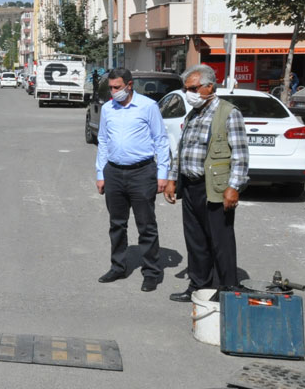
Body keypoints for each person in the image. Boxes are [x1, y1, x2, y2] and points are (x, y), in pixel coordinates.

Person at [163, 64, 248, 303]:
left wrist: (234, 187)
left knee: (221, 241)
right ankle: (198, 286)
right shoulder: (194, 114)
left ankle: (228, 290)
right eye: (186, 88)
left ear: (209, 86)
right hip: (190, 186)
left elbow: (240, 155)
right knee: (196, 240)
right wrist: (172, 180)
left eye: (192, 88)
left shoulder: (228, 113)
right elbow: (181, 151)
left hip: (215, 188)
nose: (188, 93)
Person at [95, 68, 170, 292]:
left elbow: (161, 140)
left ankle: (151, 272)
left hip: (142, 172)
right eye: (110, 87)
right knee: (116, 224)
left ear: (129, 85)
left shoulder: (148, 106)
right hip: (114, 173)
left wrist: (163, 173)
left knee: (146, 225)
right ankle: (118, 266)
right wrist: (101, 174)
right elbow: (103, 141)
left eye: (117, 87)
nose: (113, 91)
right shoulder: (108, 108)